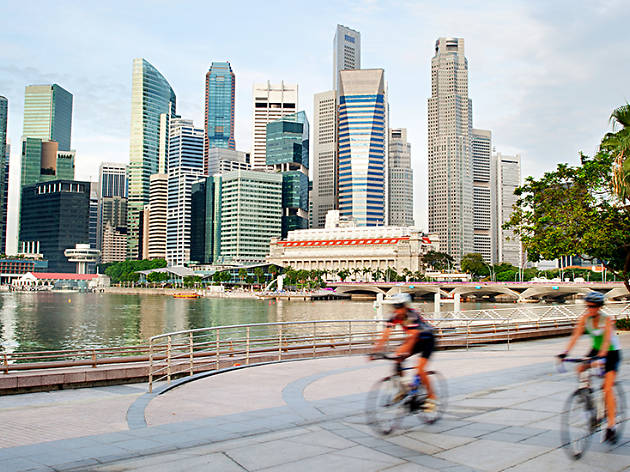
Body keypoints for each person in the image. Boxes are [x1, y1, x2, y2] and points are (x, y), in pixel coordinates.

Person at [558, 291, 621, 443]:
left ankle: (611, 426)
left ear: (599, 307)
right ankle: (587, 395)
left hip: (611, 352)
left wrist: (601, 357)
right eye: (588, 306)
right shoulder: (585, 319)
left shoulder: (607, 320)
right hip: (595, 350)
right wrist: (565, 353)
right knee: (580, 368)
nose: (590, 309)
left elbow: (606, 341)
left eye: (593, 306)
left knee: (607, 388)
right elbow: (575, 336)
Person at [371, 292, 436, 411]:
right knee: (397, 358)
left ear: (405, 306)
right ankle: (403, 388)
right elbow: (385, 334)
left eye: (399, 307)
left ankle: (431, 397)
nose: (397, 310)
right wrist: (375, 351)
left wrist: (403, 353)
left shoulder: (412, 316)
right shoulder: (394, 316)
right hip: (414, 339)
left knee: (420, 369)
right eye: (395, 307)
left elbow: (412, 337)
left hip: (427, 340)